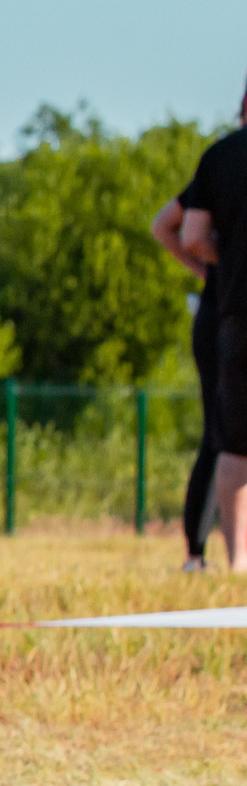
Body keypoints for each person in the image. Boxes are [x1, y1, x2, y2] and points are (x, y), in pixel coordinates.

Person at [176, 79, 247, 569]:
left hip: (237, 313)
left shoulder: (220, 156)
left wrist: (221, 266)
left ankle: (236, 561)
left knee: (231, 442)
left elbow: (185, 231)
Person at [152, 188, 221, 568]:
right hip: (223, 313)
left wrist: (211, 270)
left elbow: (169, 227)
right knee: (223, 441)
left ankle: (200, 554)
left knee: (219, 440)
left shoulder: (219, 162)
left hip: (215, 312)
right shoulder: (225, 163)